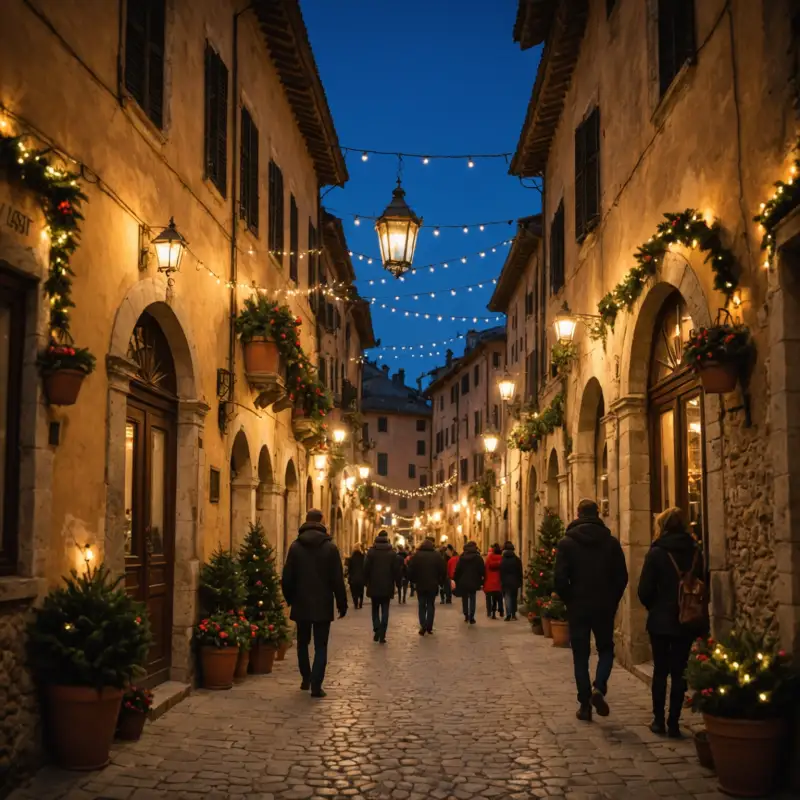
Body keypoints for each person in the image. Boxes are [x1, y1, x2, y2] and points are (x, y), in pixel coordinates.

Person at [555, 499, 628, 721]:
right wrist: (612, 600)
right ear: (598, 514)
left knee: (580, 656)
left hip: (578, 607)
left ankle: (585, 705)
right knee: (606, 649)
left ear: (577, 514)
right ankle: (599, 687)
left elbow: (559, 580)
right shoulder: (611, 543)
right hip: (603, 606)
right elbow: (621, 577)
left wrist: (570, 599)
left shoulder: (566, 543)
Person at [638, 507, 707, 738]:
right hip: (687, 620)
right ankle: (674, 722)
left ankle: (658, 720)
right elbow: (703, 583)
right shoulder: (696, 552)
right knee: (679, 672)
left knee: (660, 671)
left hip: (660, 620)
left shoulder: (657, 553)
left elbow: (644, 590)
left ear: (663, 525)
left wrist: (655, 607)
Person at [281, 509, 347, 699]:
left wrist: (291, 598)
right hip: (323, 604)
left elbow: (287, 578)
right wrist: (342, 604)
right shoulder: (330, 548)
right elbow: (337, 580)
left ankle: (306, 678)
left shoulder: (295, 547)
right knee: (321, 645)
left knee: (302, 643)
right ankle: (316, 685)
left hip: (301, 603)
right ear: (322, 521)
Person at [364, 530, 401, 644]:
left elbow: (365, 568)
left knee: (375, 609)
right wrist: (398, 583)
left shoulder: (371, 552)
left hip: (374, 585)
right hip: (387, 585)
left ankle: (377, 628)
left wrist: (366, 582)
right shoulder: (392, 553)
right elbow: (396, 571)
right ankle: (382, 634)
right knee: (385, 610)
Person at [407, 536, 446, 635]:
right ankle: (429, 626)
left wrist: (413, 581)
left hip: (420, 584)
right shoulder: (437, 556)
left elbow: (411, 570)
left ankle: (423, 625)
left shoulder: (416, 555)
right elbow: (442, 570)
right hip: (433, 584)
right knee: (430, 605)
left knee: (421, 605)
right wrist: (440, 581)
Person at [454, 541, 485, 624]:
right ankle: (472, 616)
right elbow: (482, 570)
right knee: (472, 598)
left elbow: (458, 570)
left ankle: (466, 615)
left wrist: (456, 580)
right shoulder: (478, 558)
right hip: (474, 581)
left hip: (463, 581)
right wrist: (482, 580)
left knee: (464, 598)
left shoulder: (462, 558)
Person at [500, 541, 523, 621]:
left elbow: (501, 571)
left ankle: (508, 614)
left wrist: (501, 581)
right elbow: (520, 572)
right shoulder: (517, 560)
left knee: (507, 597)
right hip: (515, 581)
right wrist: (520, 582)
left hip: (505, 582)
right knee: (514, 597)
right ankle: (513, 614)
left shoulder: (503, 560)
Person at [483, 543, 503, 619]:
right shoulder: (502, 559)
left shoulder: (488, 559)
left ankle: (489, 612)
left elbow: (485, 570)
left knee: (489, 598)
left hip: (489, 582)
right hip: (498, 582)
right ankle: (500, 611)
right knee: (498, 598)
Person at [346, 543, 365, 610]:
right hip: (361, 577)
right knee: (361, 591)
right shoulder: (363, 557)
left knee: (354, 592)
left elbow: (349, 569)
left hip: (353, 578)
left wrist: (348, 575)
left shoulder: (351, 558)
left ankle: (356, 604)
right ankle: (360, 604)